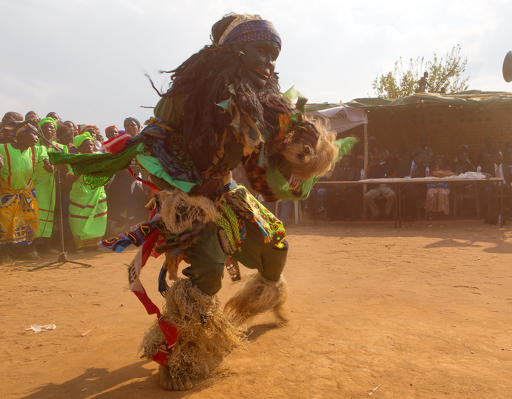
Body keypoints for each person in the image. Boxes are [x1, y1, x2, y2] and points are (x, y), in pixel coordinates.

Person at [49, 13, 350, 391]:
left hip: (222, 192)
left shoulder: (263, 106)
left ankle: (261, 297)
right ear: (235, 51)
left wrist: (305, 153)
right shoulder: (187, 97)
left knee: (276, 245)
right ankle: (183, 355)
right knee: (207, 269)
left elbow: (269, 168)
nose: (270, 62)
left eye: (275, 54)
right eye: (262, 50)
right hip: (185, 198)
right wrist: (189, 185)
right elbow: (149, 146)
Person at [0, 122, 41, 263]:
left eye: (37, 134)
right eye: (33, 133)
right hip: (6, 193)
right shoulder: (3, 148)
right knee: (5, 224)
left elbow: (48, 157)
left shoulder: (36, 151)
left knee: (30, 219)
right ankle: (3, 253)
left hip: (26, 193)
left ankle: (24, 250)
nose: (36, 137)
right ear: (21, 135)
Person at [67, 132, 107, 250]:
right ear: (79, 148)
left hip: (98, 194)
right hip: (81, 195)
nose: (89, 147)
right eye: (85, 145)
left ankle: (96, 244)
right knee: (78, 222)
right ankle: (80, 246)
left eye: (91, 144)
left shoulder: (99, 156)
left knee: (99, 219)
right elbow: (69, 178)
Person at [32, 117, 60, 253]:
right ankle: (33, 246)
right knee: (37, 215)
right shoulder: (36, 146)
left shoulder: (58, 147)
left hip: (51, 186)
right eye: (46, 127)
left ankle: (46, 245)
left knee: (49, 216)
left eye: (52, 127)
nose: (49, 130)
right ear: (39, 130)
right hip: (37, 185)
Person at [364, 149, 395, 218]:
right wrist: (370, 166)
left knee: (392, 195)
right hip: (375, 186)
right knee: (367, 196)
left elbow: (392, 176)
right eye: (380, 154)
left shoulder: (389, 165)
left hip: (385, 186)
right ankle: (376, 213)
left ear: (387, 157)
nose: (382, 156)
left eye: (384, 155)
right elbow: (367, 174)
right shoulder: (373, 165)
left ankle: (387, 213)